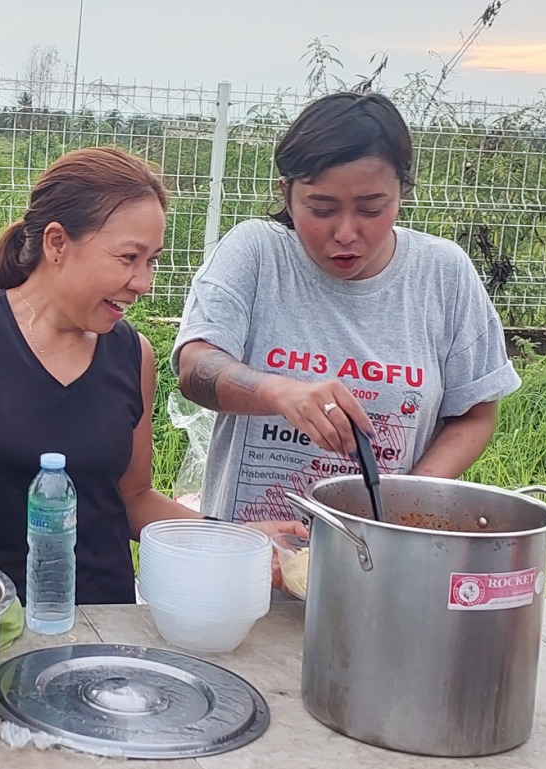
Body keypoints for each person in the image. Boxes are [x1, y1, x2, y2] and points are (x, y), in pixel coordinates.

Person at [0, 147, 302, 606]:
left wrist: (233, 539)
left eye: (151, 260)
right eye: (128, 258)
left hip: (106, 625)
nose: (144, 282)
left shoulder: (132, 354)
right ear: (56, 243)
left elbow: (132, 498)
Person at [174, 92, 522, 523]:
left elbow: (474, 414)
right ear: (287, 193)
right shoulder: (257, 254)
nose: (344, 233)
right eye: (321, 209)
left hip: (379, 551)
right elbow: (195, 368)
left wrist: (400, 505)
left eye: (370, 209)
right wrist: (279, 392)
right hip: (251, 551)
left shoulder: (442, 274)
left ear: (402, 193)